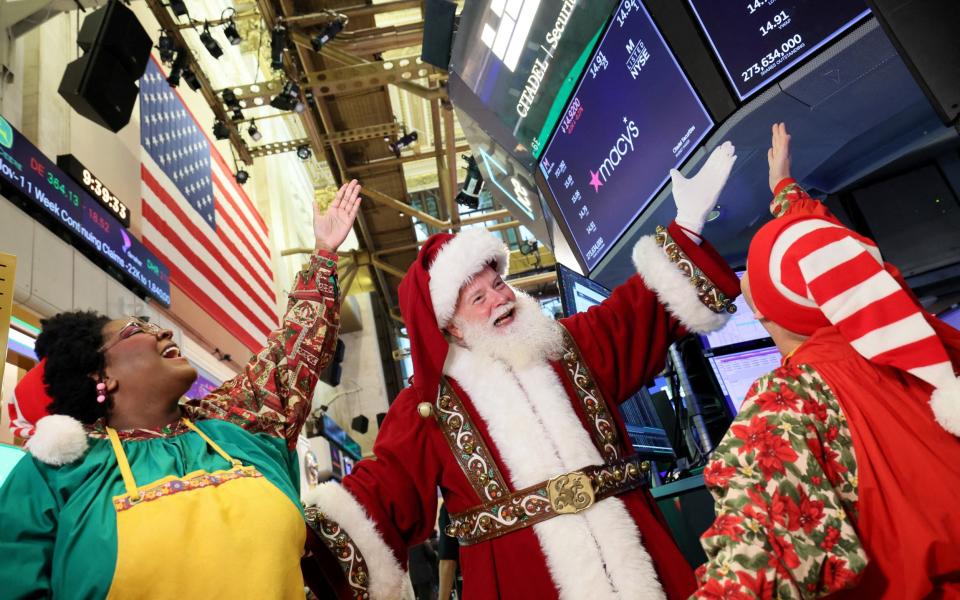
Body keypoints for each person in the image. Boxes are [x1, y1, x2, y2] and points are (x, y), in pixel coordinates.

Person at [303, 144, 742, 600]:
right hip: (522, 582)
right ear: (450, 325)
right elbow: (383, 492)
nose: (500, 299)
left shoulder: (566, 344)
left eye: (498, 284)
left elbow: (640, 312)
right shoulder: (429, 406)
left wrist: (687, 225)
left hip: (637, 567)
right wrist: (292, 533)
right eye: (479, 298)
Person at [0, 180, 362, 598]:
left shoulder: (238, 427)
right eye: (139, 328)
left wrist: (323, 254)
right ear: (102, 376)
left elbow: (290, 356)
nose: (164, 331)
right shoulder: (54, 476)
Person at [693, 124, 960, 599]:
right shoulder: (919, 344)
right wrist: (785, 191)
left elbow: (755, 574)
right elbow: (835, 259)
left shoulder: (786, 405)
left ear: (761, 310)